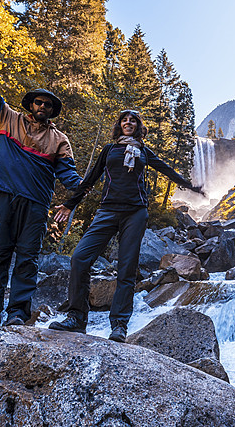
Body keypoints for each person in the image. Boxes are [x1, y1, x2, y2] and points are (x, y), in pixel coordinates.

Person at [50, 109, 204, 342]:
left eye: (133, 120)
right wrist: (71, 204)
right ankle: (76, 318)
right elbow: (90, 179)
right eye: (124, 119)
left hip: (135, 212)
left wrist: (191, 187)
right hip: (107, 210)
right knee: (80, 258)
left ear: (139, 127)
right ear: (119, 125)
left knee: (126, 268)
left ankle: (119, 325)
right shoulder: (109, 150)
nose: (128, 122)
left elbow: (166, 169)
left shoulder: (143, 151)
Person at [0, 42, 82, 331]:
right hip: (4, 195)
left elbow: (69, 175)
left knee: (28, 259)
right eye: (38, 102)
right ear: (30, 104)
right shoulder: (8, 118)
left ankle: (18, 312)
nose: (42, 107)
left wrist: (80, 195)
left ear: (52, 111)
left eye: (48, 105)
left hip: (36, 204)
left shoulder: (59, 140)